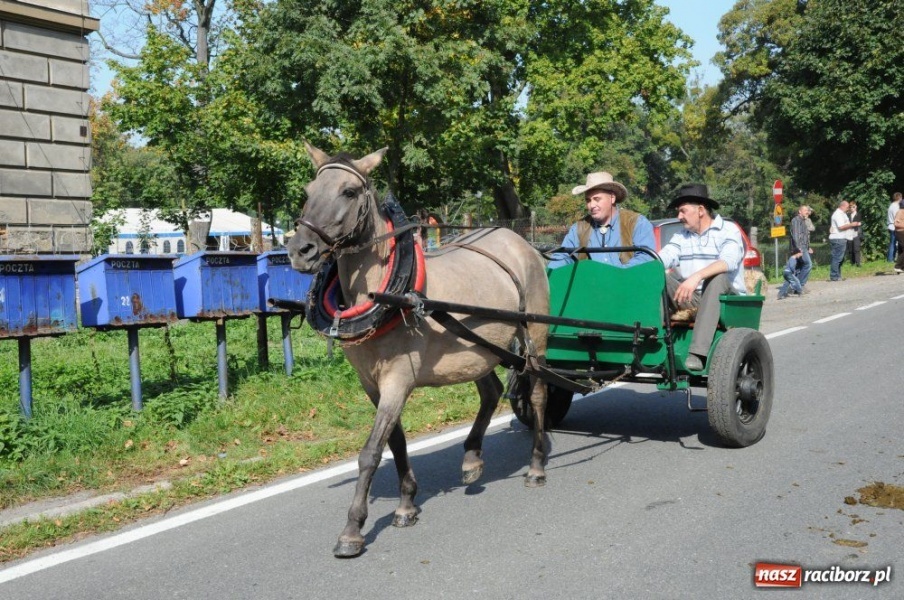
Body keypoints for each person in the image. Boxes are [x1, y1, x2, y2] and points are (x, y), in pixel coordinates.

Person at [657, 184, 746, 371]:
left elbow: (728, 262)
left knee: (717, 278)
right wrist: (644, 265)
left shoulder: (728, 230)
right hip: (693, 298)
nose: (679, 216)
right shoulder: (681, 236)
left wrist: (696, 276)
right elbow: (664, 257)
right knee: (657, 275)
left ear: (700, 210)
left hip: (728, 301)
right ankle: (653, 342)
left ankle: (698, 353)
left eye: (682, 211)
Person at [548, 171, 655, 268]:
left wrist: (614, 275)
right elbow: (563, 257)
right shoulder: (578, 228)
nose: (592, 205)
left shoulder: (636, 223)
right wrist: (550, 272)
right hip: (590, 287)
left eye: (597, 199)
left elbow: (646, 258)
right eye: (588, 200)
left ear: (612, 198)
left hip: (627, 287)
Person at [828, 200, 860, 282]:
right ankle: (834, 276)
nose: (848, 208)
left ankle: (837, 275)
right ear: (842, 206)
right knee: (837, 258)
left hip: (841, 237)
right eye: (847, 207)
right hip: (838, 238)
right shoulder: (838, 214)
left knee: (840, 258)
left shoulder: (842, 214)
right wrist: (852, 224)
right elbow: (841, 227)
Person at [789, 204, 813, 292]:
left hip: (803, 247)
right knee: (808, 264)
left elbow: (804, 236)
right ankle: (800, 285)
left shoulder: (802, 221)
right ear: (800, 211)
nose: (807, 212)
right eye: (805, 210)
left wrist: (808, 247)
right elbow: (796, 235)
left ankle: (795, 287)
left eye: (807, 210)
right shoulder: (796, 220)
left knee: (799, 267)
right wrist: (800, 249)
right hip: (799, 247)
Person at [887, 192, 902, 262]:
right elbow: (897, 218)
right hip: (894, 226)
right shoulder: (896, 206)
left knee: (892, 243)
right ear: (899, 198)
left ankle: (891, 258)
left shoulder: (891, 205)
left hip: (891, 225)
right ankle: (891, 259)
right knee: (894, 244)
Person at [847, 201, 862, 267]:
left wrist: (858, 224)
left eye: (853, 207)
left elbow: (859, 223)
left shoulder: (858, 214)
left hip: (856, 232)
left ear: (855, 207)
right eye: (850, 207)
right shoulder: (848, 215)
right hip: (849, 232)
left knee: (856, 248)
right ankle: (852, 263)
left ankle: (858, 263)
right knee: (851, 249)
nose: (851, 208)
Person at [895, 200, 904, 274]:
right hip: (900, 232)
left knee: (901, 250)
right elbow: (896, 224)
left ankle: (901, 268)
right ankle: (897, 266)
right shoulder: (900, 212)